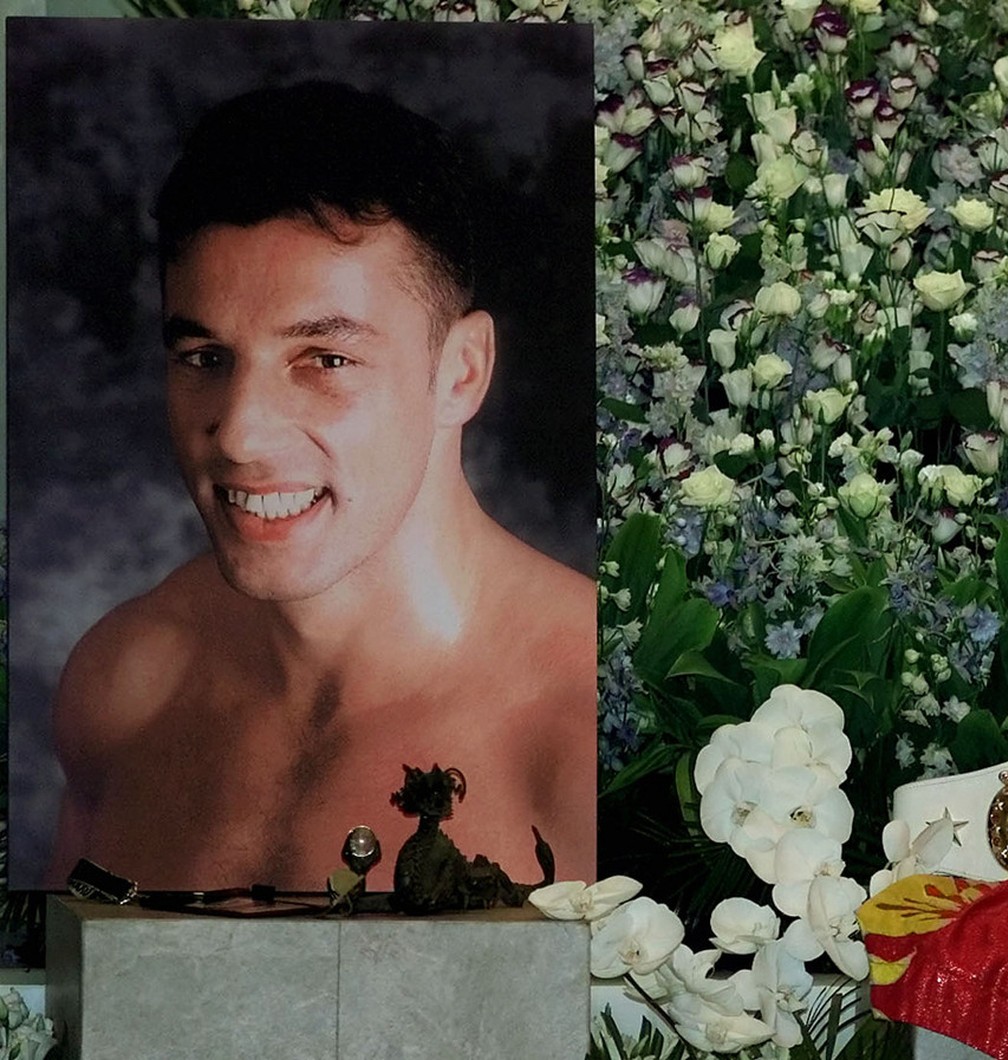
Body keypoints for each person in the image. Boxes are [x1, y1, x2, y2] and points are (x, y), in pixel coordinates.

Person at [46, 81, 596, 891]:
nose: (238, 433)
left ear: (461, 373)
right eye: (204, 358)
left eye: (325, 361)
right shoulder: (126, 686)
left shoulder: (584, 733)